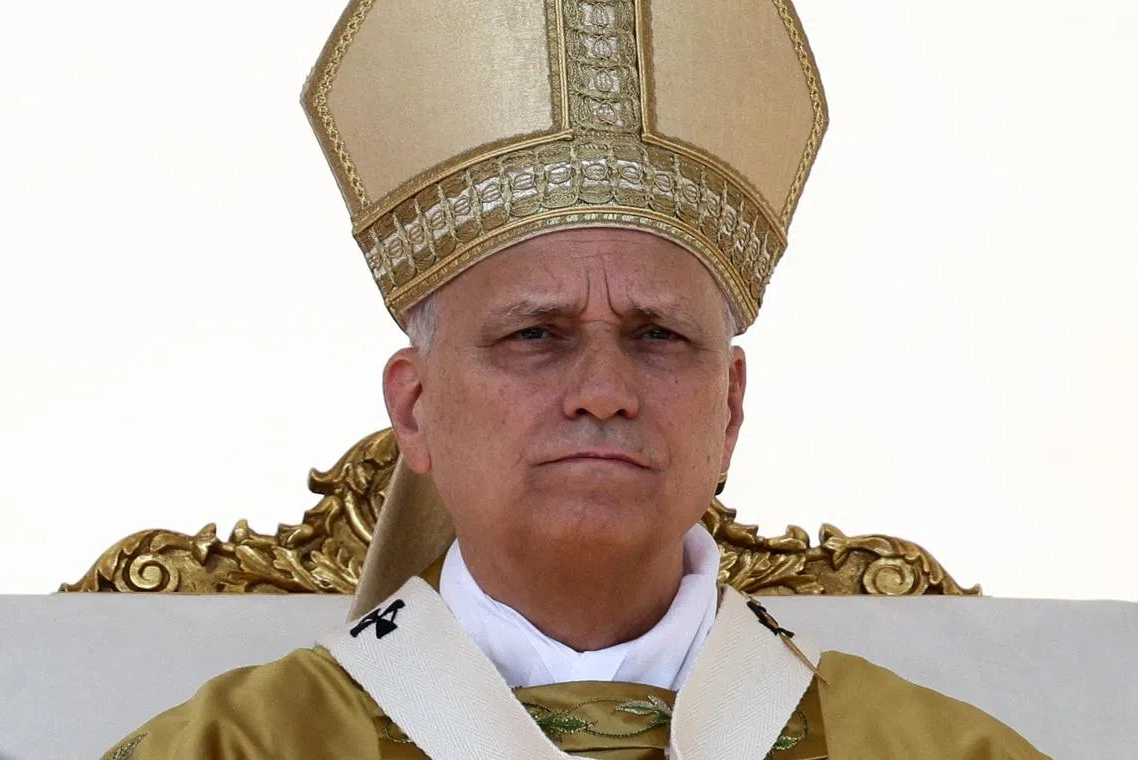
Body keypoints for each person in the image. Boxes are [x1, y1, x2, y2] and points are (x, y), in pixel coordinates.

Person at [103, 0, 1048, 757]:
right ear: (416, 408)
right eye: (535, 334)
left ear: (729, 409)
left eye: (658, 336)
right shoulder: (237, 747)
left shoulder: (935, 749)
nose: (604, 388)